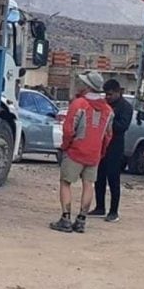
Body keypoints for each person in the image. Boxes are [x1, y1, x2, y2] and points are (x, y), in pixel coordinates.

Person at [50, 71, 114, 234]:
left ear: (87, 86)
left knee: (66, 183)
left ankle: (65, 218)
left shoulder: (79, 104)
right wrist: (101, 152)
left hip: (76, 151)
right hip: (94, 154)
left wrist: (65, 146)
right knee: (89, 185)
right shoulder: (108, 110)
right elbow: (108, 135)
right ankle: (81, 220)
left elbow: (69, 129)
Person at [89, 80, 133, 222]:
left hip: (115, 147)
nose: (107, 97)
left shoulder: (125, 107)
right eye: (106, 94)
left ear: (118, 92)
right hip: (101, 145)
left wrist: (108, 122)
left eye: (110, 94)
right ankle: (100, 207)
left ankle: (114, 211)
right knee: (99, 176)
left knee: (113, 179)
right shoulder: (104, 104)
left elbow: (122, 126)